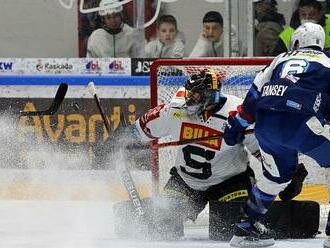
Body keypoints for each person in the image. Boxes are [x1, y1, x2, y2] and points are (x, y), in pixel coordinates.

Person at [223, 22, 330, 247]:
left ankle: (243, 231)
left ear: (297, 42)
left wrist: (235, 127)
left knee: (274, 179)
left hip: (266, 125)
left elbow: (252, 97)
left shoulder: (279, 59)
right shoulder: (327, 62)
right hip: (303, 125)